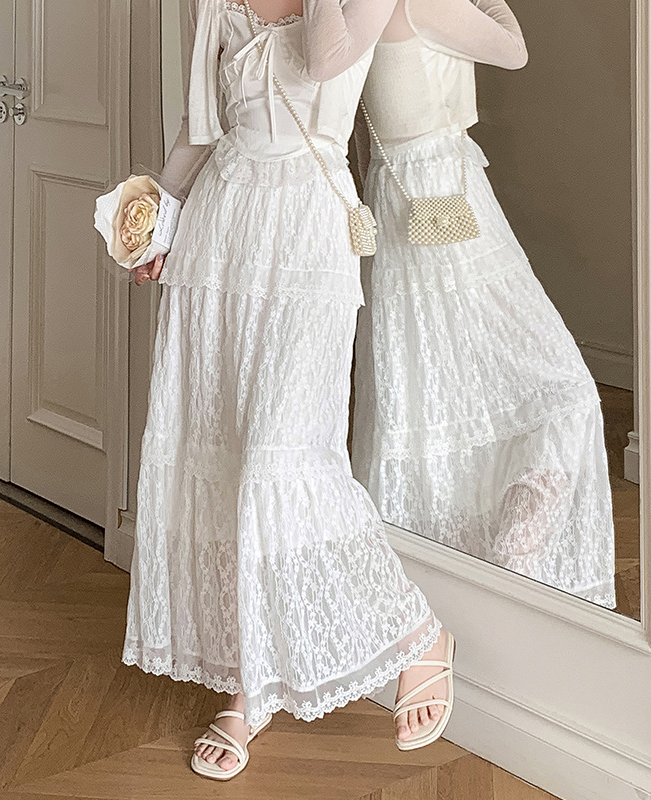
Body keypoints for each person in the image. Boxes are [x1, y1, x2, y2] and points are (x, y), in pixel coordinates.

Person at [122, 0, 456, 781]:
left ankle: (418, 634)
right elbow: (198, 129)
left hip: (310, 229)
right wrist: (158, 223)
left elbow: (339, 65)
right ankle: (250, 685)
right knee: (225, 462)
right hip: (220, 232)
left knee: (288, 457)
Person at [351, 0, 616, 608]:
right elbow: (513, 50)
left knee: (430, 398)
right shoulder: (422, 4)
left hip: (398, 200)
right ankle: (508, 569)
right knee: (563, 391)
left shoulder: (362, 9)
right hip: (446, 194)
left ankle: (450, 590)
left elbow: (365, 140)